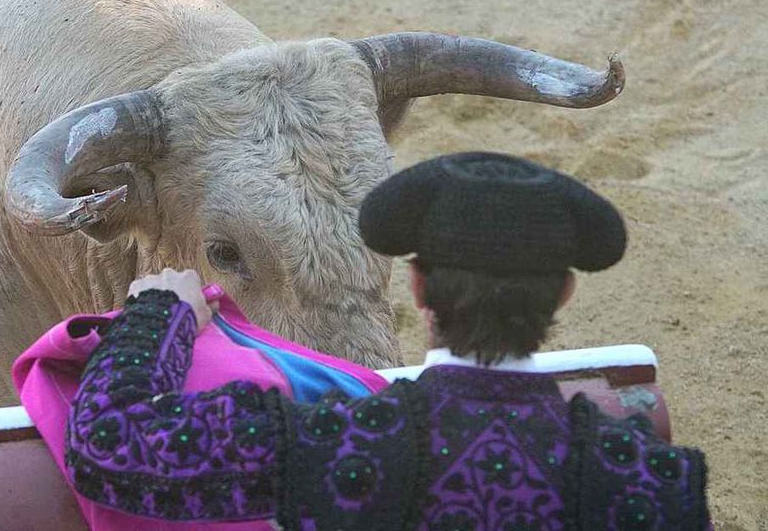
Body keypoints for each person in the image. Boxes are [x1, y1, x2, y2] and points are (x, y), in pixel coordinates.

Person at [64, 152, 710, 530]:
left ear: (419, 287)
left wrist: (158, 315)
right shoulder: (650, 480)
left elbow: (109, 444)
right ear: (564, 293)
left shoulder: (331, 442)